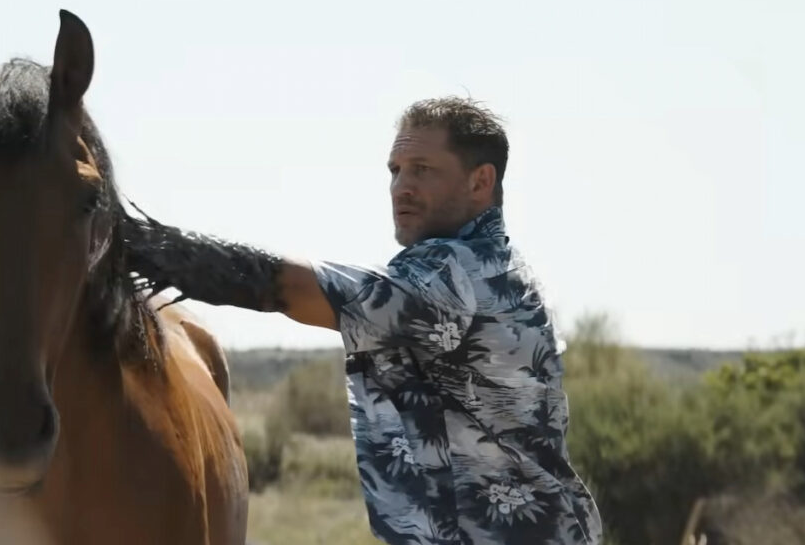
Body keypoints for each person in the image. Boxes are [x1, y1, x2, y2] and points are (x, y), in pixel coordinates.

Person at [124, 96, 602, 544]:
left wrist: (130, 242)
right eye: (395, 170)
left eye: (423, 169)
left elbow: (294, 289)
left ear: (480, 182)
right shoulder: (497, 265)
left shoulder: (457, 276)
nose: (401, 187)